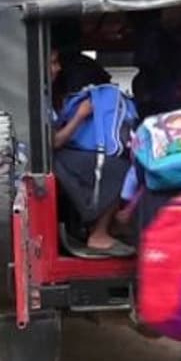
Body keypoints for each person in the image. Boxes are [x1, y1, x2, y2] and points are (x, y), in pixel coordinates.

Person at [49, 46, 132, 257]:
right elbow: (56, 141)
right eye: (53, 62)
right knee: (117, 167)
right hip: (53, 158)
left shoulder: (48, 94)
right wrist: (80, 115)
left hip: (62, 154)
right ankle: (99, 234)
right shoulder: (38, 97)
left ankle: (107, 225)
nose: (58, 68)